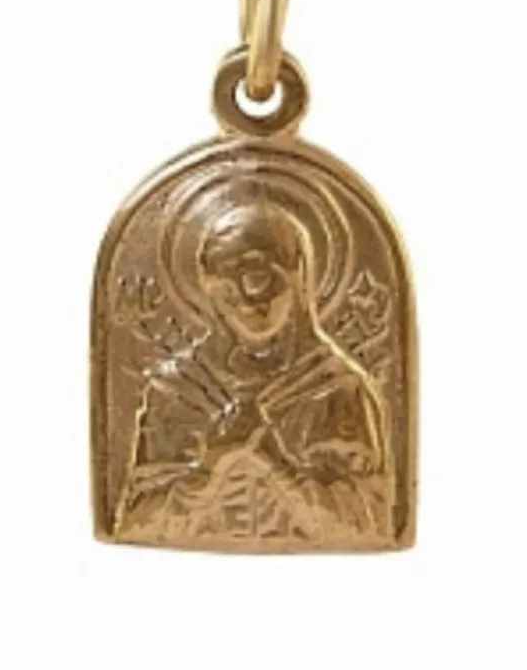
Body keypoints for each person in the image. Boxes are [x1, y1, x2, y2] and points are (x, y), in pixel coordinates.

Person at [115, 198, 393, 547]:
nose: (249, 297)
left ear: (299, 280)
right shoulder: (178, 392)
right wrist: (211, 466)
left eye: (261, 276)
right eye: (229, 282)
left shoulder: (337, 390)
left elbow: (371, 523)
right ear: (209, 290)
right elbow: (135, 521)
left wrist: (278, 466)